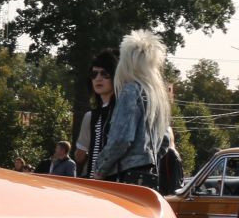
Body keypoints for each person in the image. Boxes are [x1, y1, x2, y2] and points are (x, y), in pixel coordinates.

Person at [91, 32, 172, 187]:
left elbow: (121, 138)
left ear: (127, 62)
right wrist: (147, 160)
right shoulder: (157, 96)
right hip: (147, 177)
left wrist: (100, 169)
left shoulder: (131, 90)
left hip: (122, 177)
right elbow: (165, 141)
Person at [73, 51, 117, 180]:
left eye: (105, 74)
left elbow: (79, 155)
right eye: (94, 74)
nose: (98, 78)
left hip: (117, 184)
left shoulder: (124, 113)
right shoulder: (90, 117)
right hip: (95, 184)